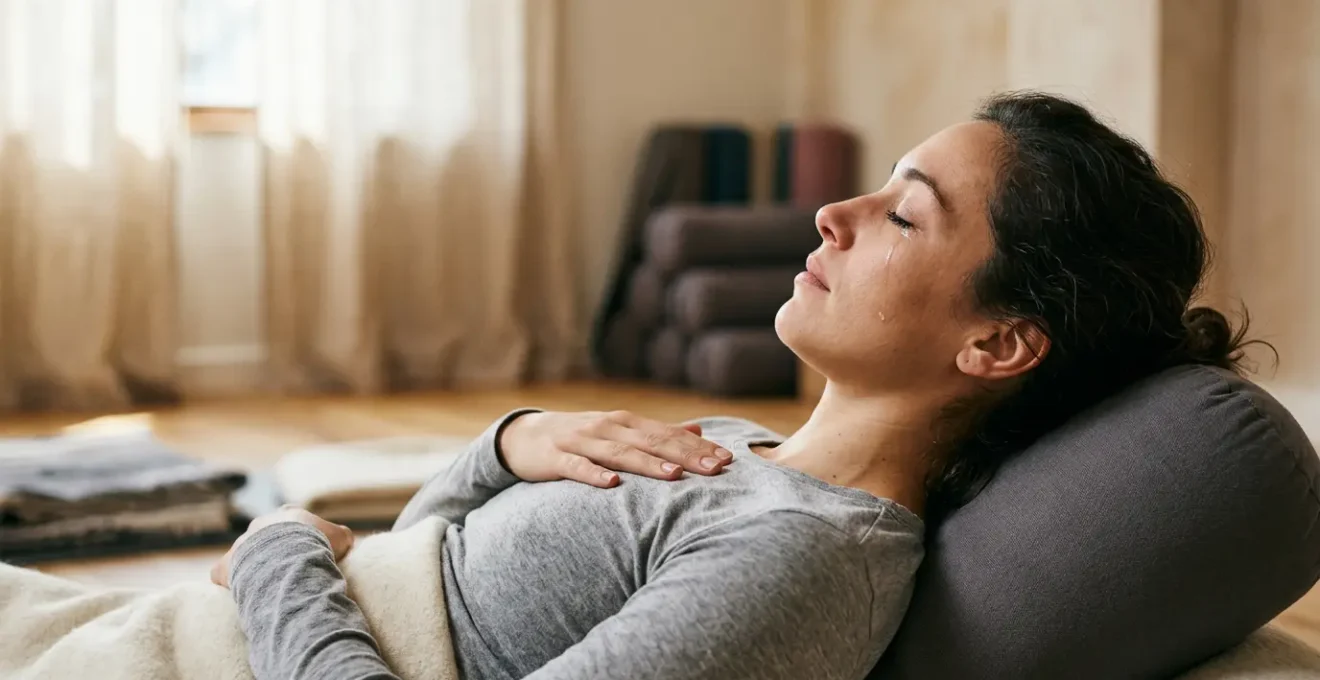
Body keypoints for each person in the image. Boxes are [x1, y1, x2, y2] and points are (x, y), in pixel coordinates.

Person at [211, 91, 1255, 680]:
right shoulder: (732, 444)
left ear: (996, 342)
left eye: (904, 213)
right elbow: (432, 561)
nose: (833, 211)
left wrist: (278, 551)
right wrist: (507, 442)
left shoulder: (804, 556)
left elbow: (391, 595)